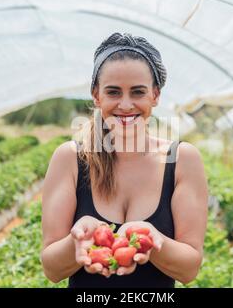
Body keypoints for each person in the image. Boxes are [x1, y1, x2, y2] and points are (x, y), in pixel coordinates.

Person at [41, 32, 208, 288]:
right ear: (97, 96)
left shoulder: (182, 160)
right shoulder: (70, 159)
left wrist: (152, 240)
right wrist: (77, 242)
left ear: (155, 95)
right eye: (114, 92)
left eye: (138, 92)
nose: (126, 104)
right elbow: (52, 269)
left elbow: (189, 269)